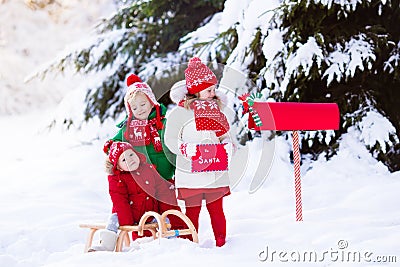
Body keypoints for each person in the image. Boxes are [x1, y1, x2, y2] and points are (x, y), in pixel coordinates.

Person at [164, 57, 234, 247]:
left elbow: (224, 135)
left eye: (213, 89)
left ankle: (222, 242)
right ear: (195, 90)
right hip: (190, 172)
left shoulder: (216, 111)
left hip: (214, 171)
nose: (213, 93)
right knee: (192, 211)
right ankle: (190, 243)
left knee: (216, 209)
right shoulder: (180, 114)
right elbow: (169, 139)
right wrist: (186, 149)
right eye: (209, 89)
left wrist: (227, 145)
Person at [89, 141, 181, 252]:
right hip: (128, 213)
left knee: (163, 220)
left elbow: (160, 189)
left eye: (131, 154)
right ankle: (106, 245)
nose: (130, 159)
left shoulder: (148, 169)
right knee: (113, 220)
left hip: (149, 213)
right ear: (119, 167)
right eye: (124, 159)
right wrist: (127, 220)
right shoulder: (117, 179)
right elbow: (119, 200)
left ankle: (170, 241)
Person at [108, 74, 175, 181]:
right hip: (143, 181)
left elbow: (175, 145)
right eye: (134, 108)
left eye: (143, 104)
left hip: (166, 178)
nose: (139, 109)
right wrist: (122, 153)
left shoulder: (163, 124)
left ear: (152, 102)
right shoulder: (129, 128)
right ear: (130, 111)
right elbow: (113, 144)